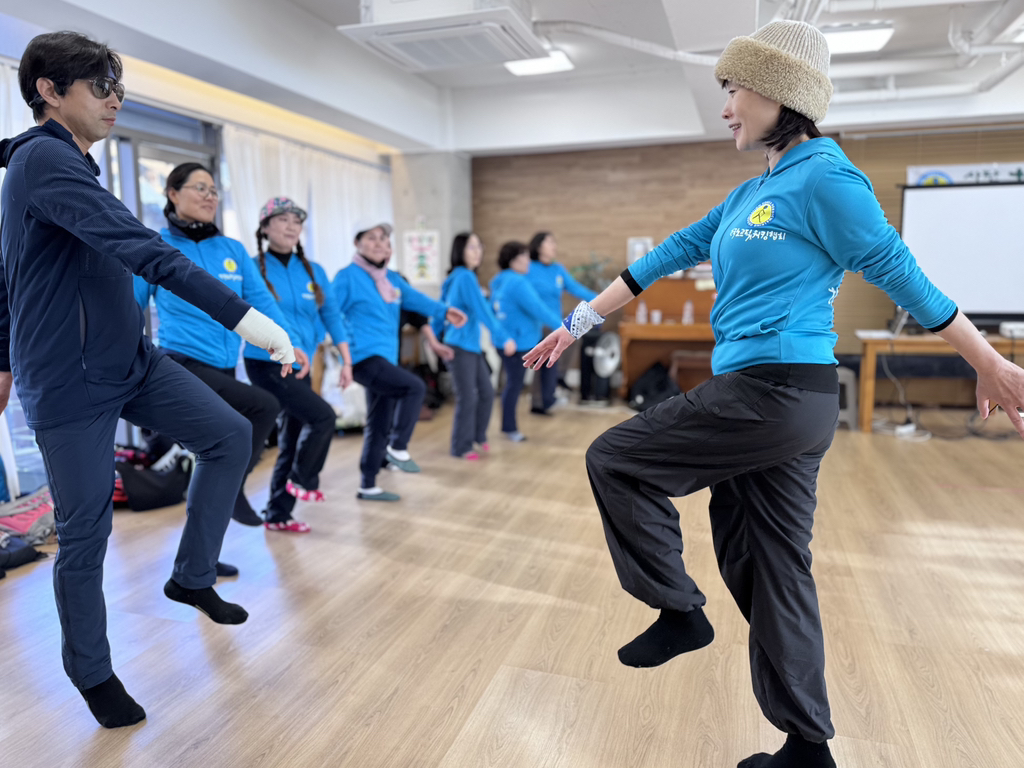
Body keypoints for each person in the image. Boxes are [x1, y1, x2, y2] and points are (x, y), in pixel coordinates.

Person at [524, 20, 1024, 768]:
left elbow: (898, 270)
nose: (725, 108)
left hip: (779, 389)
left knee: (617, 459)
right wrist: (576, 323)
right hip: (774, 396)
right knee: (768, 563)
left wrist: (987, 361)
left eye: (735, 90)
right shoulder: (751, 191)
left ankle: (678, 609)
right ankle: (807, 748)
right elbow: (669, 253)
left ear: (781, 94)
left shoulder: (827, 178)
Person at [0, 32, 296, 728]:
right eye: (101, 86)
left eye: (119, 88)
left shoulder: (72, 162)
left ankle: (191, 576)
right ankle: (91, 671)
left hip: (129, 360)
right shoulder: (42, 160)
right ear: (49, 91)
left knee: (229, 434)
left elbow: (15, 271)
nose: (115, 100)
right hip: (69, 381)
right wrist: (247, 321)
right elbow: (141, 249)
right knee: (85, 532)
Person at [135, 164, 309, 529]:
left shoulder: (232, 250)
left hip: (225, 365)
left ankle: (208, 534)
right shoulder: (156, 245)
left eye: (214, 190)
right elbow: (132, 306)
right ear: (172, 194)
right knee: (262, 407)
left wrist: (288, 340)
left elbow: (262, 301)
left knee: (220, 447)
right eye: (200, 188)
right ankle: (232, 490)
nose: (210, 197)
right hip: (181, 362)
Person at [332, 223, 467, 501]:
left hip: (386, 358)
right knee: (414, 387)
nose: (379, 243)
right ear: (357, 243)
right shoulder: (347, 277)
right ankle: (397, 447)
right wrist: (342, 349)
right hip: (363, 357)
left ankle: (368, 485)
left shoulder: (391, 279)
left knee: (379, 421)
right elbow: (330, 313)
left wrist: (445, 311)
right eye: (371, 238)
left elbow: (417, 300)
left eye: (384, 239)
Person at [245, 197, 353, 532]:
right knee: (323, 417)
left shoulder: (313, 271)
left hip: (302, 364)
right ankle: (302, 479)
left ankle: (278, 514)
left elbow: (332, 315)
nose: (291, 227)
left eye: (296, 221)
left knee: (292, 437)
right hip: (266, 363)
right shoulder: (252, 267)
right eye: (283, 220)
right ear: (265, 228)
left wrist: (347, 361)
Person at [436, 233, 515, 459]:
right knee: (468, 397)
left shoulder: (459, 277)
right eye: (471, 247)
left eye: (479, 246)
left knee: (487, 392)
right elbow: (483, 312)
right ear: (459, 251)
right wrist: (503, 338)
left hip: (470, 346)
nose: (477, 251)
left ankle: (478, 435)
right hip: (459, 346)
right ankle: (461, 446)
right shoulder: (464, 277)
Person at [490, 241, 562, 442]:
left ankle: (547, 399)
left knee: (518, 380)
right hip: (517, 342)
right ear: (513, 261)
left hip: (507, 340)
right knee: (514, 385)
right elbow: (538, 308)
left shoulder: (500, 279)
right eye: (523, 257)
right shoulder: (517, 282)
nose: (528, 261)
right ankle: (510, 428)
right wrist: (566, 328)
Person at [525, 231, 597, 414]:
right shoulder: (528, 268)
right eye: (550, 242)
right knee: (544, 361)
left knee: (573, 339)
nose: (554, 246)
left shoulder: (558, 269)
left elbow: (575, 288)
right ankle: (539, 402)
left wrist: (601, 300)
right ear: (539, 246)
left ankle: (557, 380)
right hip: (537, 323)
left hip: (555, 323)